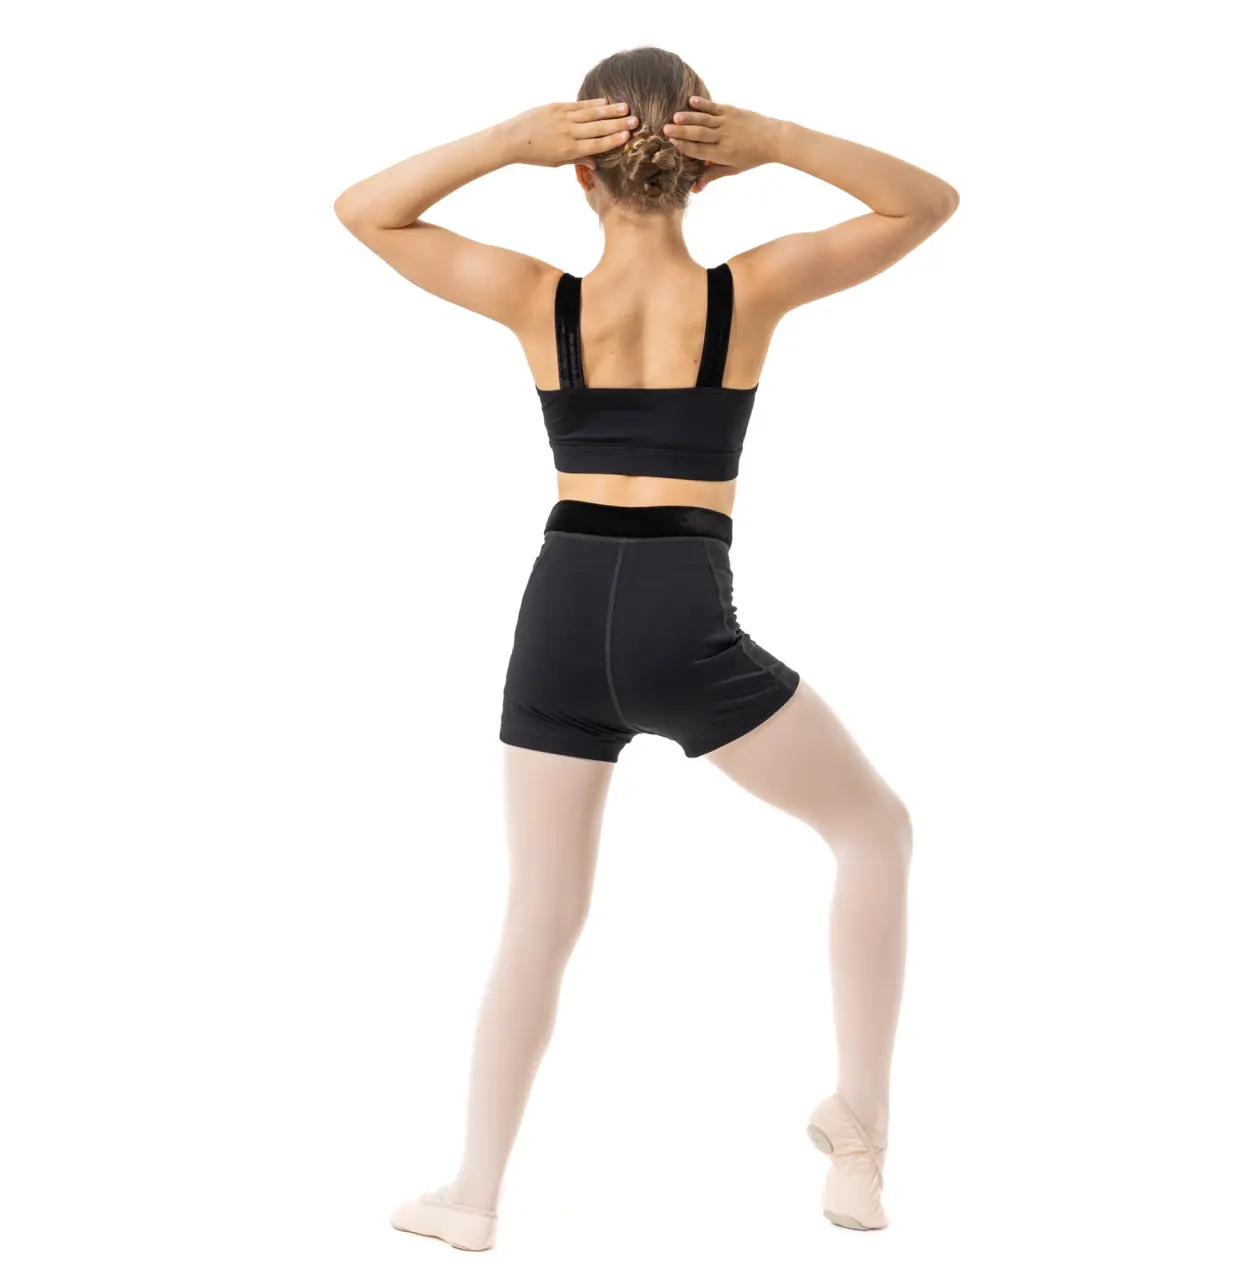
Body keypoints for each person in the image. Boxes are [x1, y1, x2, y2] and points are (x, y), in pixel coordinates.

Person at [334, 45, 957, 1252]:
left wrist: (503, 143)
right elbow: (923, 203)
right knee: (872, 829)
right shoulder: (746, 294)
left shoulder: (538, 300)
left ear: (577, 172)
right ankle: (859, 1133)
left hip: (559, 613)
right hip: (679, 614)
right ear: (706, 170)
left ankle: (471, 1193)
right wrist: (779, 141)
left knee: (540, 909)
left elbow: (365, 211)